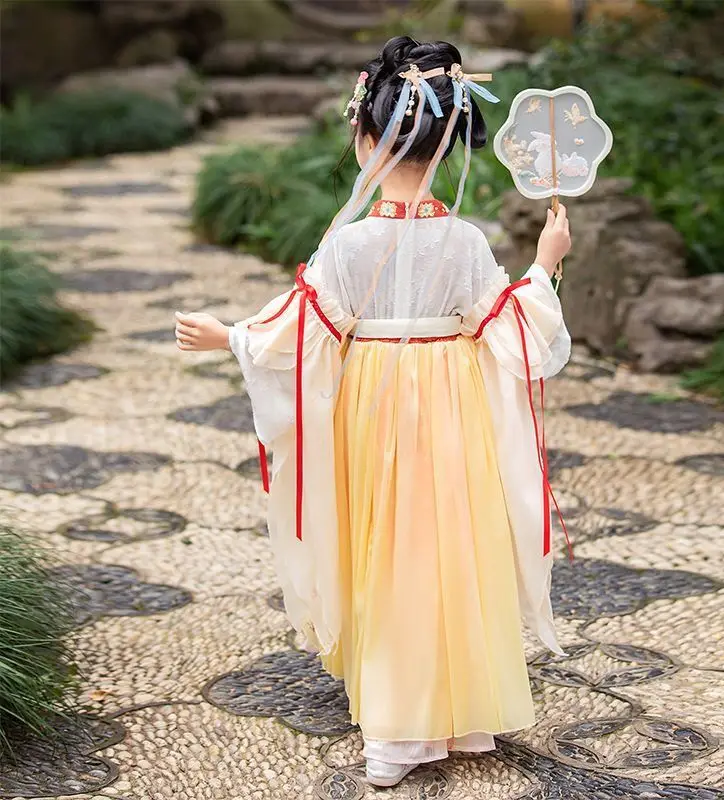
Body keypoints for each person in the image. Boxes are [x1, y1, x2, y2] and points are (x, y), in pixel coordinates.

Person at [175, 36, 572, 789]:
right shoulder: (465, 241)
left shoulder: (352, 246)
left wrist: (228, 335)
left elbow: (302, 334)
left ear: (368, 138)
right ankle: (463, 712)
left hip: (375, 404)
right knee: (450, 543)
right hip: (451, 401)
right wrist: (546, 262)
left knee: (387, 549)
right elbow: (512, 330)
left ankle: (399, 728)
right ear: (451, 141)